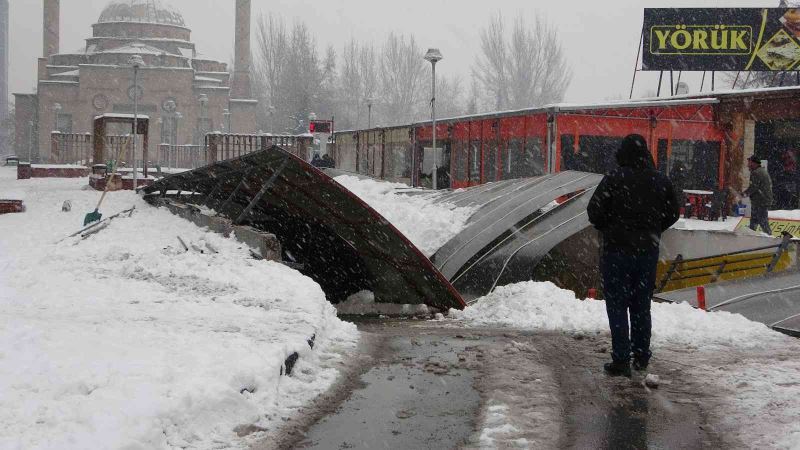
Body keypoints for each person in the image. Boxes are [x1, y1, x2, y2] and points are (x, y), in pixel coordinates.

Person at [587, 134, 680, 378]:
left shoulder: (614, 178)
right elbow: (673, 213)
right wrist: (652, 228)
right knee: (641, 305)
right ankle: (641, 356)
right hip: (647, 253)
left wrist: (611, 226)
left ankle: (621, 359)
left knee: (617, 306)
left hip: (617, 252)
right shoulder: (660, 180)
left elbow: (594, 211)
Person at [744, 155, 773, 234]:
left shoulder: (756, 173)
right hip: (761, 200)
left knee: (762, 221)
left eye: (749, 162)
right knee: (754, 220)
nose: (747, 165)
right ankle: (751, 236)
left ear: (754, 163)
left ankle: (769, 239)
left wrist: (744, 194)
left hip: (761, 201)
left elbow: (754, 187)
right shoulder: (761, 171)